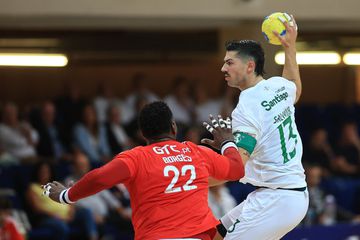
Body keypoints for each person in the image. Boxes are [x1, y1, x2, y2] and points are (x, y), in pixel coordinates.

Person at [42, 101, 245, 240]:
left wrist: (66, 195)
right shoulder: (195, 152)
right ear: (173, 127)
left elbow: (99, 178)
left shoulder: (135, 158)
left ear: (143, 133)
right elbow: (237, 170)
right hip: (198, 235)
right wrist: (227, 143)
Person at [211, 15, 309, 239]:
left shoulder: (246, 108)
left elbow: (237, 168)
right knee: (214, 235)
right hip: (287, 195)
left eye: (229, 62)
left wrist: (191, 181)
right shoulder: (278, 86)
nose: (222, 68)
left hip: (277, 199)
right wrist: (290, 46)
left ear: (250, 66)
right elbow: (295, 87)